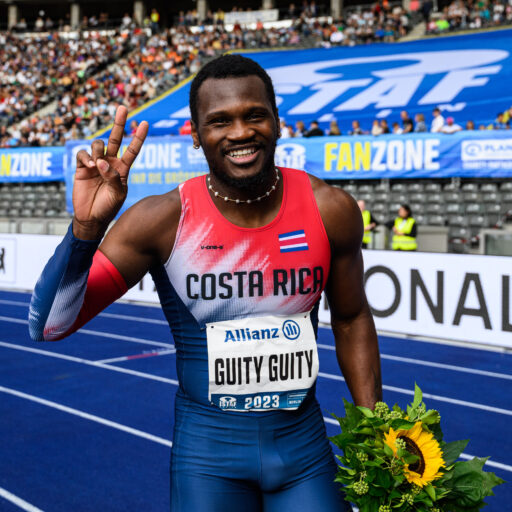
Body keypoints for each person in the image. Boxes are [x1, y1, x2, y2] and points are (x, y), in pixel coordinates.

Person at [29, 55, 381, 512]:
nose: (240, 132)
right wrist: (86, 229)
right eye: (219, 121)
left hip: (306, 452)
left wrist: (375, 427)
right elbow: (49, 325)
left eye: (254, 115)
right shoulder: (162, 220)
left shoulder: (330, 208)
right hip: (208, 458)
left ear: (277, 122)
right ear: (195, 135)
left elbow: (351, 318)